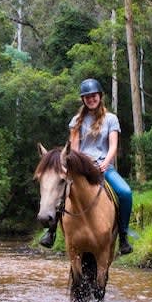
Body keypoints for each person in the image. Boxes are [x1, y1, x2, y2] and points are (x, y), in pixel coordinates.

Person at [38, 78, 135, 255]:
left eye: (93, 96)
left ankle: (123, 236)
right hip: (82, 169)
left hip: (104, 166)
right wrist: (76, 166)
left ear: (100, 96)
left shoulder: (111, 119)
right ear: (83, 99)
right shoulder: (76, 121)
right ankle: (51, 232)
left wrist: (106, 162)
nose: (91, 99)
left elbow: (113, 145)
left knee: (125, 193)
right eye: (87, 97)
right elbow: (74, 149)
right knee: (62, 192)